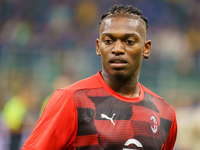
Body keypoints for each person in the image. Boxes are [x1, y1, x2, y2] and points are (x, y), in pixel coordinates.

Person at [21, 4, 177, 150]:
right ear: (98, 46)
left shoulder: (164, 114)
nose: (117, 49)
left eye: (129, 41)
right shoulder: (72, 100)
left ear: (146, 48)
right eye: (108, 41)